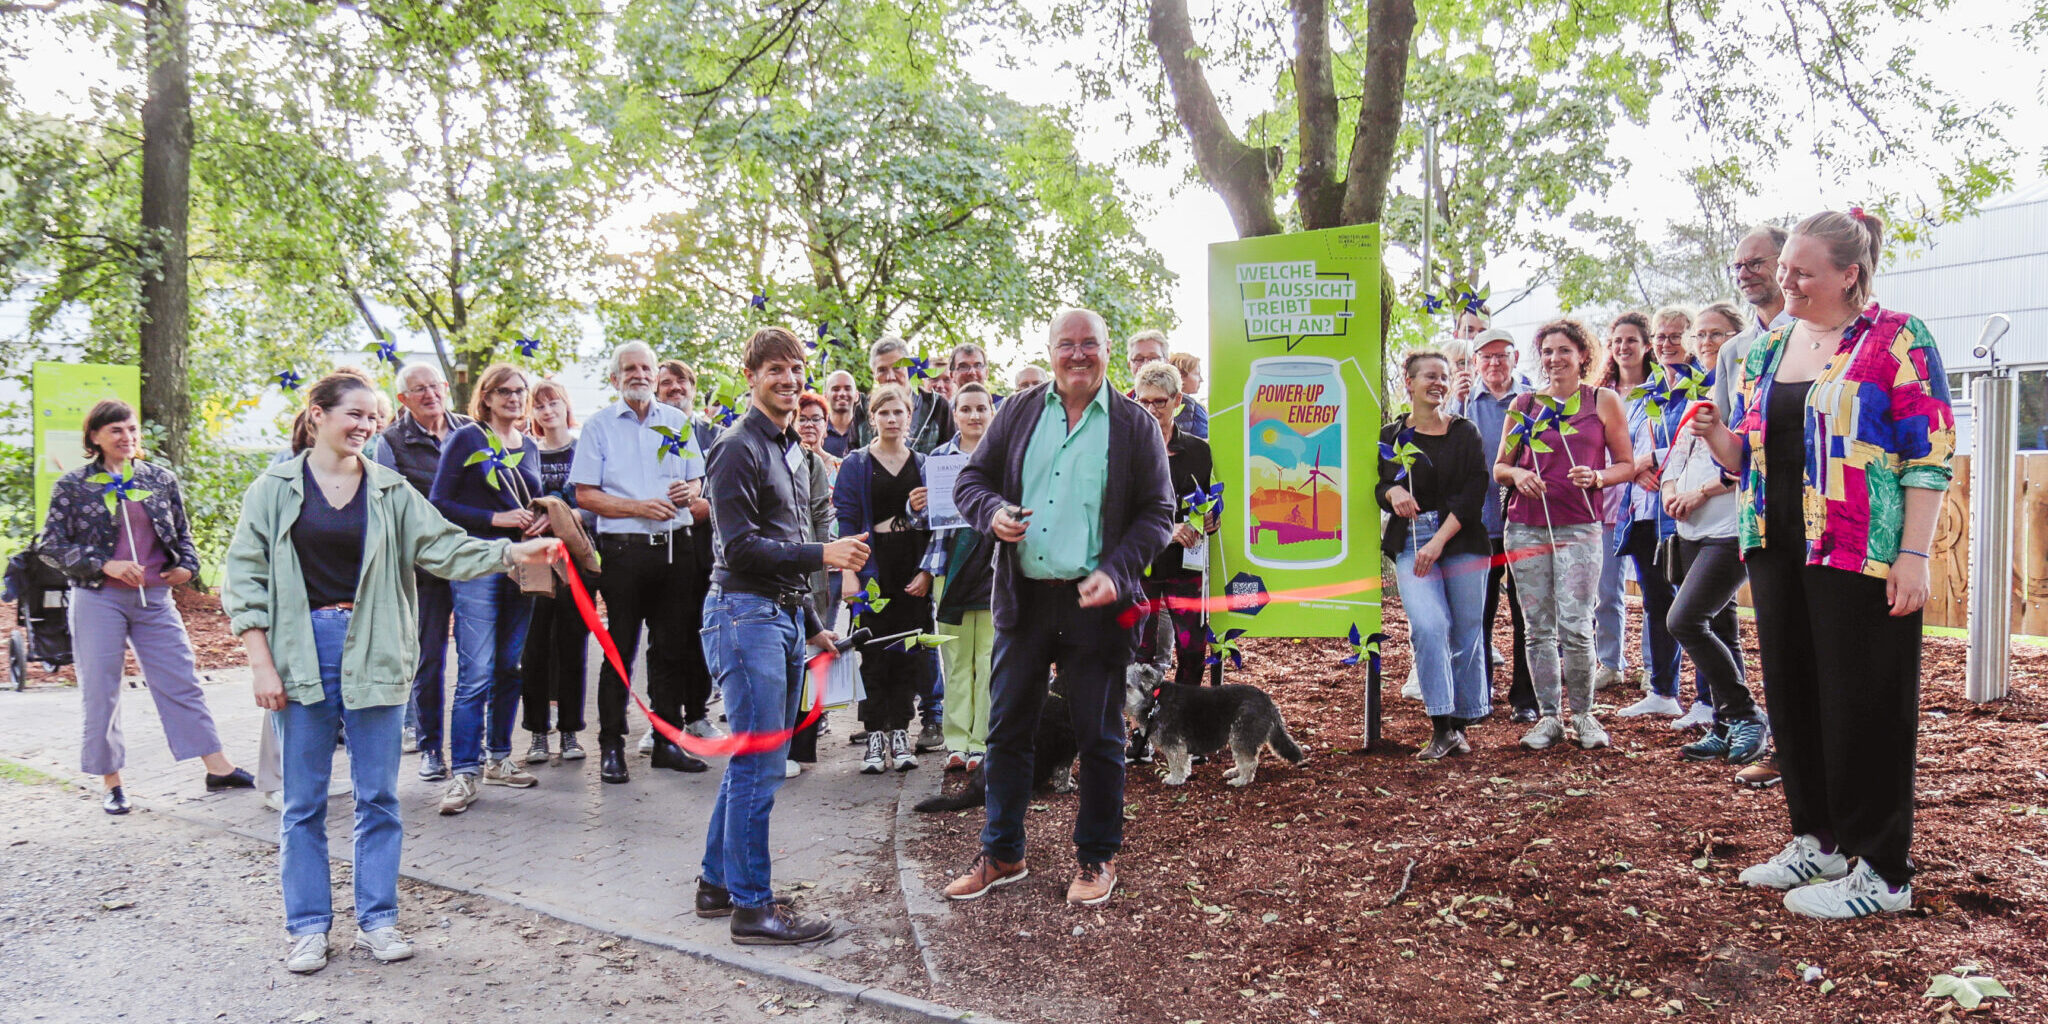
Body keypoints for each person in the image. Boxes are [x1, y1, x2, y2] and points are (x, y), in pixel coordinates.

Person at [225, 370, 555, 973]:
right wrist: (260, 663)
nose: (365, 426)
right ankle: (307, 928)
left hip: (376, 645)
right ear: (318, 414)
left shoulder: (391, 489)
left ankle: (378, 920)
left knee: (379, 796)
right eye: (354, 413)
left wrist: (512, 552)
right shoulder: (273, 489)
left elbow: (446, 548)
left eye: (373, 417)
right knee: (303, 801)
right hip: (302, 649)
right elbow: (244, 580)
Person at [1692, 209, 1952, 919]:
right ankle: (1819, 839)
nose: (1787, 282)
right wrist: (1717, 435)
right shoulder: (1771, 345)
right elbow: (1749, 456)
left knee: (1864, 709)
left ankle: (1884, 874)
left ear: (1850, 274)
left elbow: (1928, 457)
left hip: (1859, 551)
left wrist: (1914, 557)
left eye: (1803, 272)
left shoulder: (1898, 339)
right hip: (1775, 549)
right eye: (1784, 271)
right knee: (1797, 701)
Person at [943, 306, 1174, 907]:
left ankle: (1097, 858)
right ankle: (1004, 852)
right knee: (1007, 731)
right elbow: (971, 481)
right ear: (1050, 351)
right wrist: (990, 513)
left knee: (1098, 738)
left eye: (1089, 344)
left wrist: (1117, 571)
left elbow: (1159, 513)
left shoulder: (1133, 426)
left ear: (1107, 351)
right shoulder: (1018, 412)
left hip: (1095, 607)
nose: (1077, 355)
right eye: (1066, 345)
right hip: (1023, 601)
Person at [698, 326, 870, 945]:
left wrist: (817, 627)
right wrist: (824, 552)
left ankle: (718, 885)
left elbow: (782, 544)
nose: (789, 380)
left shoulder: (788, 448)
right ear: (750, 377)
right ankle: (753, 908)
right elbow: (741, 548)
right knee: (760, 764)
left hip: (781, 619)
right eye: (775, 369)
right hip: (744, 619)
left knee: (754, 759)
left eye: (797, 369)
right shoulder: (736, 447)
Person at [41, 400, 252, 814]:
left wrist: (186, 569)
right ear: (95, 437)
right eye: (116, 430)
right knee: (102, 690)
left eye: (132, 429)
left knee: (181, 679)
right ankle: (112, 782)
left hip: (154, 599)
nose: (127, 437)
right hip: (98, 598)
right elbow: (50, 546)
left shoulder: (160, 479)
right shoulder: (74, 486)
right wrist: (105, 563)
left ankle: (218, 768)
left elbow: (183, 536)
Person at [570, 341, 714, 783]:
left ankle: (667, 741)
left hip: (675, 549)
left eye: (645, 368)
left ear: (655, 375)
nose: (639, 375)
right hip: (624, 552)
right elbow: (585, 496)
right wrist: (638, 507)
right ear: (614, 379)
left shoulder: (677, 422)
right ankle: (611, 746)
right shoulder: (598, 427)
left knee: (671, 650)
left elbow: (697, 482)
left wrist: (688, 493)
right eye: (629, 369)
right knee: (620, 651)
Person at [1494, 319, 1635, 753]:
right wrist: (1518, 474)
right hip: (1524, 528)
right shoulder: (1524, 405)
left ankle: (1584, 715)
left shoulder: (1602, 401)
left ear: (1582, 356)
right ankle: (1549, 717)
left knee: (1576, 625)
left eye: (1564, 351)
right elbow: (1499, 467)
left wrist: (1595, 476)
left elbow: (1626, 465)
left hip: (1579, 529)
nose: (1554, 359)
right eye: (1548, 352)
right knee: (1537, 629)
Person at [1378, 352, 1491, 759]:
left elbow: (1474, 493)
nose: (1439, 383)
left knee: (1465, 631)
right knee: (1429, 624)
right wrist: (1393, 492)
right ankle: (1440, 725)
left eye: (1444, 377)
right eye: (1430, 376)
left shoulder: (1465, 432)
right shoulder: (1392, 436)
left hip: (1458, 538)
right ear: (1409, 382)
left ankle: (1461, 725)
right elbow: (1380, 484)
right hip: (1410, 538)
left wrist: (1438, 541)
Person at [1661, 313, 1760, 766]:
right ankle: (1724, 726)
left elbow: (1747, 461)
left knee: (1684, 621)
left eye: (1716, 334)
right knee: (1721, 628)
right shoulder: (1694, 402)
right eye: (1698, 334)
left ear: (1738, 339)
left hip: (1730, 528)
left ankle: (1746, 715)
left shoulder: (1750, 398)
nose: (1705, 342)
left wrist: (1700, 492)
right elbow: (1675, 461)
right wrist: (1669, 493)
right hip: (1690, 531)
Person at [1717, 224, 1794, 790]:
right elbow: (1730, 439)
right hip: (1758, 511)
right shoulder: (1738, 351)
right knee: (1778, 639)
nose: (1746, 274)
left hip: (1822, 512)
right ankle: (1782, 750)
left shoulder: (1831, 334)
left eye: (1757, 263)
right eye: (1738, 266)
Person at [375, 362, 473, 777]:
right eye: (419, 390)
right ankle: (432, 747)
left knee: (477, 661)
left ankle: (476, 747)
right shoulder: (390, 442)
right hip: (425, 568)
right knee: (429, 657)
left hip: (471, 561)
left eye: (435, 386)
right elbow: (390, 508)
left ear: (446, 388)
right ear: (403, 400)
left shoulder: (471, 431)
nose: (430, 394)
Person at [836, 384, 935, 772]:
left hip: (913, 568)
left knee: (910, 653)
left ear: (910, 417)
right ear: (872, 417)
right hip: (872, 568)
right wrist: (850, 575)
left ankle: (902, 734)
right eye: (884, 413)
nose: (892, 420)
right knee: (873, 654)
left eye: (899, 413)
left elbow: (937, 526)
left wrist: (927, 570)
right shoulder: (857, 465)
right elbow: (846, 523)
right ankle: (875, 734)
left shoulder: (924, 464)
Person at [1602, 312, 1688, 721]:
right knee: (1655, 600)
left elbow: (1682, 438)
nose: (1667, 343)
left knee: (1683, 602)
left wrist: (1646, 462)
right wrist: (1638, 466)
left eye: (1676, 337)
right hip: (1636, 510)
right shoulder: (1630, 394)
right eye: (1663, 336)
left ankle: (1703, 698)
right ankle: (1663, 689)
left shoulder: (1679, 387)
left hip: (1672, 510)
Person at [921, 383, 999, 771]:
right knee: (954, 658)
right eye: (965, 409)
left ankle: (981, 742)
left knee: (986, 658)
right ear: (955, 415)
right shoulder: (938, 458)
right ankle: (954, 741)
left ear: (992, 411)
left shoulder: (1004, 455)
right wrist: (915, 502)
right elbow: (927, 520)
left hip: (993, 569)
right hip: (949, 568)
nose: (974, 416)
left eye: (981, 408)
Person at [520, 378, 593, 765]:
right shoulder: (526, 451)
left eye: (554, 403)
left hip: (574, 562)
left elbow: (595, 503)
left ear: (566, 406)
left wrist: (562, 521)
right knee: (533, 650)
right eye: (540, 405)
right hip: (534, 560)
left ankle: (569, 732)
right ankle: (536, 733)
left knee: (571, 645)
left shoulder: (584, 449)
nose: (547, 411)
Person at [1131, 362, 1216, 693]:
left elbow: (1210, 500)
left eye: (1160, 402)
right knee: (1141, 652)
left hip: (1186, 566)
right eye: (1144, 402)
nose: (1151, 410)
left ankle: (1185, 727)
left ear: (1178, 399)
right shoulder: (1128, 449)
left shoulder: (1198, 450)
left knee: (1192, 648)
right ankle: (1142, 733)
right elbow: (1119, 510)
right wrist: (1167, 529)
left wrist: (1211, 519)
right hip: (1142, 567)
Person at [1466, 329, 1537, 723]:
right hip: (1478, 526)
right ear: (1475, 361)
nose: (1494, 363)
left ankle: (1525, 699)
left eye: (1502, 356)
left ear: (1516, 356)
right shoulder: (1462, 402)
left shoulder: (1533, 402)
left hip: (1525, 523)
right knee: (1479, 613)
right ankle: (1479, 695)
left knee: (1526, 613)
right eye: (1486, 357)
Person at [658, 359, 726, 739]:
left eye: (681, 381)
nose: (674, 388)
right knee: (666, 639)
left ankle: (698, 714)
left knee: (703, 632)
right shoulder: (647, 433)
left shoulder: (715, 435)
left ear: (693, 388)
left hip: (706, 551)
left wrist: (708, 506)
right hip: (662, 550)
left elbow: (727, 489)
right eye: (665, 383)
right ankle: (663, 721)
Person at [787, 391, 838, 779]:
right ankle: (778, 744)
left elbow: (821, 514)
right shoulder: (773, 456)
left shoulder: (814, 464)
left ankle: (803, 744)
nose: (806, 424)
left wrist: (822, 565)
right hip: (777, 568)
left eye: (814, 418)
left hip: (812, 573)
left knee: (813, 654)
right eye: (800, 417)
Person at [859, 336, 954, 455]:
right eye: (882, 370)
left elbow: (951, 456)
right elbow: (851, 460)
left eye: (897, 367)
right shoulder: (862, 409)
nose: (890, 377)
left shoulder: (937, 406)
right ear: (874, 374)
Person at [1165, 351, 1210, 439]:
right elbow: (1206, 440)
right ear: (1181, 376)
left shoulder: (1157, 404)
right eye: (1197, 374)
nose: (1201, 379)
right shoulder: (1195, 408)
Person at [822, 370, 861, 458]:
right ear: (826, 396)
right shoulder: (817, 432)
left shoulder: (866, 433)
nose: (842, 393)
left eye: (847, 389)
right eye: (836, 389)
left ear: (856, 396)